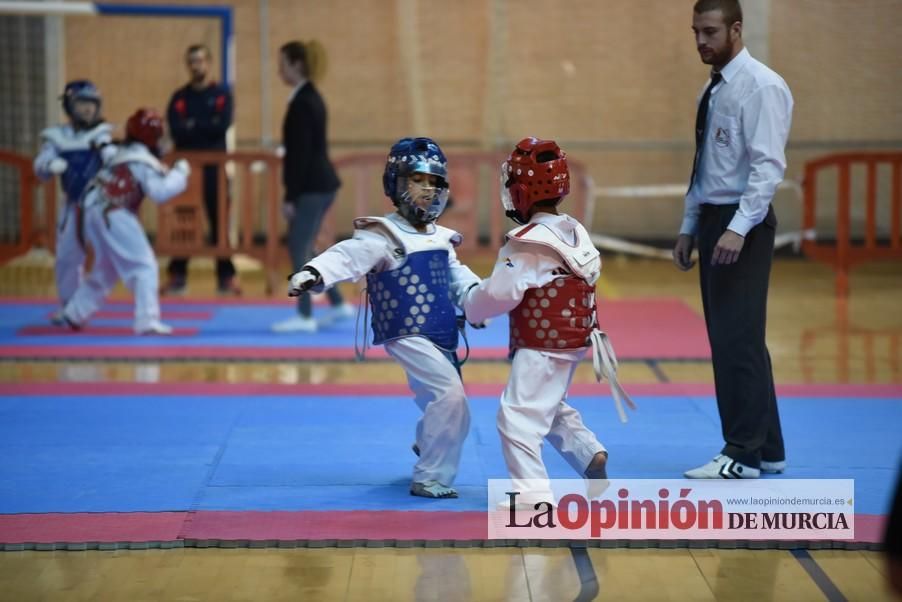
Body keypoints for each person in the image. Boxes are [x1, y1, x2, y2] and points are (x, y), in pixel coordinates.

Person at [287, 137, 481, 498]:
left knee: (447, 404)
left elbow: (458, 276)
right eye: (417, 181)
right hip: (405, 329)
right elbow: (347, 255)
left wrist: (477, 300)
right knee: (449, 396)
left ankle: (427, 441)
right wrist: (315, 273)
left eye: (434, 183)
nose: (427, 189)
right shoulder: (383, 236)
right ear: (396, 183)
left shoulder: (441, 238)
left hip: (441, 331)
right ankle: (429, 476)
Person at [463, 137, 630, 502]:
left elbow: (499, 295)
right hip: (574, 342)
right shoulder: (574, 231)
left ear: (521, 192)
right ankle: (589, 454)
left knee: (517, 419)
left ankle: (532, 499)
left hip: (542, 345)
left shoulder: (526, 243)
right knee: (548, 405)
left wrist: (469, 307)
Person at [672, 0, 793, 479]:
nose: (701, 41)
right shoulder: (713, 88)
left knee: (736, 341)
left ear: (736, 29)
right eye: (696, 31)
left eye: (710, 31)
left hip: (742, 220)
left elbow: (768, 168)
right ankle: (770, 449)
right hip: (712, 216)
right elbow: (705, 165)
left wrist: (738, 228)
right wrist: (689, 225)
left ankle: (742, 452)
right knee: (737, 340)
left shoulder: (762, 86)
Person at [54, 109, 191, 335]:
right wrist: (180, 174)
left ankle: (74, 313)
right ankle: (147, 320)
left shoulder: (119, 153)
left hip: (92, 208)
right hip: (115, 212)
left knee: (107, 268)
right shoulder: (142, 161)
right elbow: (160, 192)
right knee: (144, 265)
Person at [271, 40, 353, 333]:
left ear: (296, 64)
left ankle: (305, 315)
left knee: (298, 245)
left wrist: (291, 196)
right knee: (311, 247)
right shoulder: (307, 97)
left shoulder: (304, 102)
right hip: (318, 183)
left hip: (312, 186)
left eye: (282, 63)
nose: (278, 69)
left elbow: (301, 155)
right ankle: (338, 303)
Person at [163, 44, 238, 296]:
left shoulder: (221, 95)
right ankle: (178, 275)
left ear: (209, 63)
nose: (196, 66)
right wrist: (203, 126)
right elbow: (177, 129)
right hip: (185, 171)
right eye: (192, 61)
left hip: (214, 171)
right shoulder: (179, 98)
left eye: (200, 61)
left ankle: (225, 277)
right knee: (184, 222)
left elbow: (221, 125)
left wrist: (193, 127)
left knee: (219, 221)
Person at [33, 80, 113, 307]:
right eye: (82, 103)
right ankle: (69, 305)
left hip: (101, 206)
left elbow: (114, 159)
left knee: (113, 257)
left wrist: (110, 153)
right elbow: (40, 164)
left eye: (92, 103)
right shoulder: (57, 136)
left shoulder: (102, 134)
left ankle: (144, 307)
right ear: (69, 105)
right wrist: (49, 164)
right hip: (71, 205)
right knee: (67, 257)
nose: (88, 108)